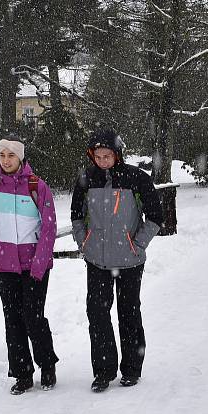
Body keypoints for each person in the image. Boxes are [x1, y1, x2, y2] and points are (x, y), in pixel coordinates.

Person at [71, 129, 164, 393]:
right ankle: (103, 371)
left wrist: (138, 243)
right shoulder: (86, 179)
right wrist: (83, 242)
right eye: (97, 156)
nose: (102, 161)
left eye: (107, 156)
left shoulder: (136, 178)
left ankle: (132, 369)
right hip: (97, 261)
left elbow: (156, 216)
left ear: (117, 154)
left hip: (130, 260)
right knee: (97, 314)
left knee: (129, 313)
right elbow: (76, 215)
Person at [0, 136, 59, 395]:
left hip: (34, 267)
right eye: (2, 155)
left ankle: (47, 364)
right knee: (13, 321)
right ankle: (22, 374)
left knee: (33, 317)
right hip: (6, 267)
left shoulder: (37, 186)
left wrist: (39, 264)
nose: (7, 160)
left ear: (20, 158)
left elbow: (49, 227)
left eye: (11, 155)